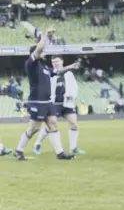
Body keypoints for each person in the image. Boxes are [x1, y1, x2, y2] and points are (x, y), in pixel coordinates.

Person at [13, 28, 79, 161]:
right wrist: (46, 37)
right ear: (36, 53)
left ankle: (60, 153)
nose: (44, 53)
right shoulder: (31, 64)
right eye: (42, 52)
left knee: (53, 124)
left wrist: (70, 67)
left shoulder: (44, 67)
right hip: (37, 102)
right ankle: (19, 150)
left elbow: (57, 72)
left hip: (48, 102)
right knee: (34, 128)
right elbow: (38, 49)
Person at [33, 55, 85, 156]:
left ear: (62, 62)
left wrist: (72, 96)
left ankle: (73, 148)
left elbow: (74, 86)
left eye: (57, 61)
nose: (55, 64)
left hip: (67, 103)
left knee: (74, 124)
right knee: (50, 126)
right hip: (54, 103)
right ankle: (37, 143)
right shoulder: (50, 74)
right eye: (53, 62)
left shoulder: (69, 74)